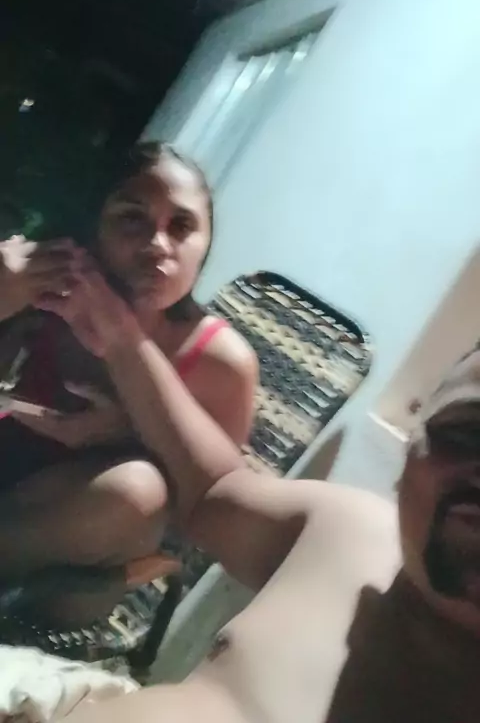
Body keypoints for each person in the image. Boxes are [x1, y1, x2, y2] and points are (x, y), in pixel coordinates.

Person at [56, 298, 480, 723]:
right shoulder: (351, 530)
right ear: (411, 447)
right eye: (466, 433)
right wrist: (123, 338)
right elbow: (212, 488)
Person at [0, 141, 257, 626]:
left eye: (181, 226)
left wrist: (122, 434)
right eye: (132, 218)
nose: (158, 244)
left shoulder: (220, 362)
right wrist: (4, 295)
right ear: (95, 228)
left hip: (81, 562)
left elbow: (207, 522)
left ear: (205, 246)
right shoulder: (47, 291)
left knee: (137, 491)